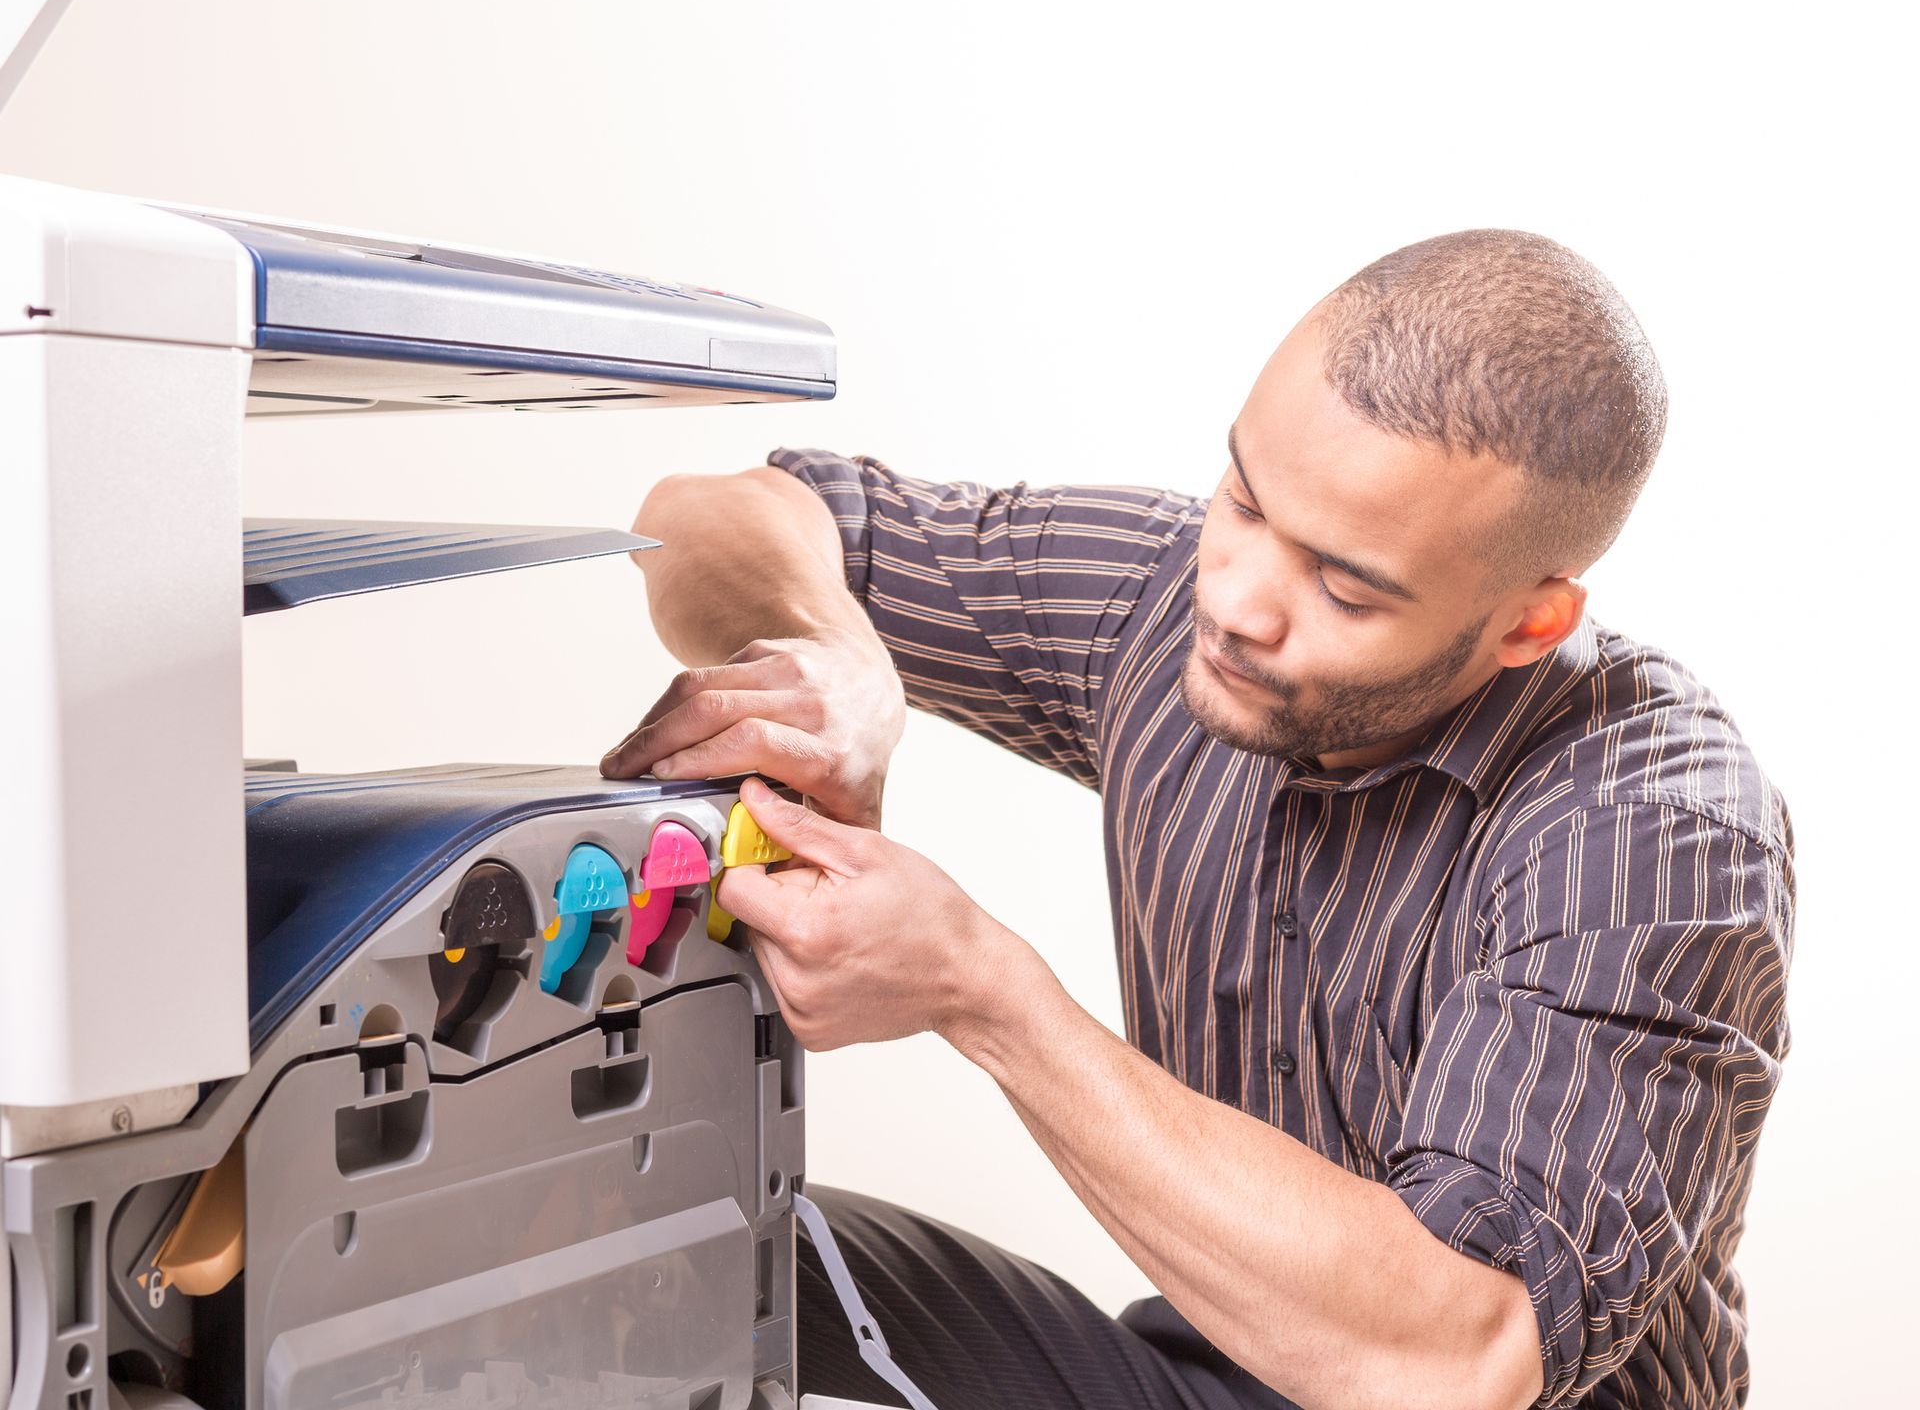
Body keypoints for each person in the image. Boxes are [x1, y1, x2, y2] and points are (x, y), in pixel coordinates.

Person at [602, 230, 1794, 1410]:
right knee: (666, 1261)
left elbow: (1452, 1364)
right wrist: (835, 653)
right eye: (1243, 496)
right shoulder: (1160, 596)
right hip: (1212, 1370)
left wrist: (982, 991)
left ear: (1528, 626)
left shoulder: (1658, 826)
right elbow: (707, 515)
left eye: (1343, 586)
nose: (1232, 600)